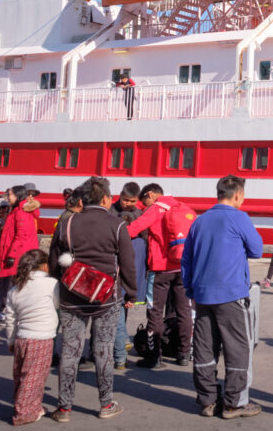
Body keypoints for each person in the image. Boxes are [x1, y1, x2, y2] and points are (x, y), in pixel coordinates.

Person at [48, 176, 137, 422]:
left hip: (71, 296)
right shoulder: (116, 224)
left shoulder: (67, 222)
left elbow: (54, 261)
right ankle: (106, 404)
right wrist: (131, 292)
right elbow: (128, 263)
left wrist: (60, 281)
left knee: (70, 350)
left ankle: (64, 408)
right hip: (106, 298)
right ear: (106, 199)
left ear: (82, 200)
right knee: (104, 350)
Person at [181, 175, 264, 419]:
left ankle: (207, 401)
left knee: (205, 348)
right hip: (231, 294)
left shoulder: (200, 220)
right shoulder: (239, 217)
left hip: (202, 294)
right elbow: (257, 249)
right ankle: (234, 403)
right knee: (237, 348)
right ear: (238, 194)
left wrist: (190, 291)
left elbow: (187, 260)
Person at [128, 194, 196, 369]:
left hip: (160, 270)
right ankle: (184, 354)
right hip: (182, 268)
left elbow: (133, 229)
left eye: (144, 202)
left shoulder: (156, 209)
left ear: (151, 195)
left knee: (155, 312)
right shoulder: (185, 209)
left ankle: (154, 356)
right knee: (184, 311)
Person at [4, 248, 59, 426]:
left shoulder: (15, 289)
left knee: (21, 375)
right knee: (34, 377)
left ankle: (30, 406)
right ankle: (25, 413)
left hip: (22, 337)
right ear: (44, 266)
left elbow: (10, 318)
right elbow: (58, 304)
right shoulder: (51, 284)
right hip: (42, 338)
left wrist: (11, 341)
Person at [110, 182, 144, 369]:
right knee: (116, 305)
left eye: (132, 201)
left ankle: (120, 341)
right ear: (120, 196)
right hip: (114, 265)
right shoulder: (110, 212)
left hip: (133, 265)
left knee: (126, 302)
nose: (128, 204)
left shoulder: (139, 214)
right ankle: (121, 341)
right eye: (125, 200)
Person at [0, 185, 42, 285]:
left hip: (19, 255)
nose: (8, 197)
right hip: (21, 254)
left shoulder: (20, 212)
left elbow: (21, 235)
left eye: (10, 195)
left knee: (16, 286)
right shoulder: (17, 210)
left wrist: (12, 255)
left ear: (17, 196)